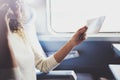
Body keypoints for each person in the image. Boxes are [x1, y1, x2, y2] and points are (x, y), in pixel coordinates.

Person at [0, 0, 87, 80]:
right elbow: (11, 77)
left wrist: (72, 42)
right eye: (14, 2)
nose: (19, 4)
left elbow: (43, 65)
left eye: (19, 1)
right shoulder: (3, 39)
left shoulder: (20, 31)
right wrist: (4, 33)